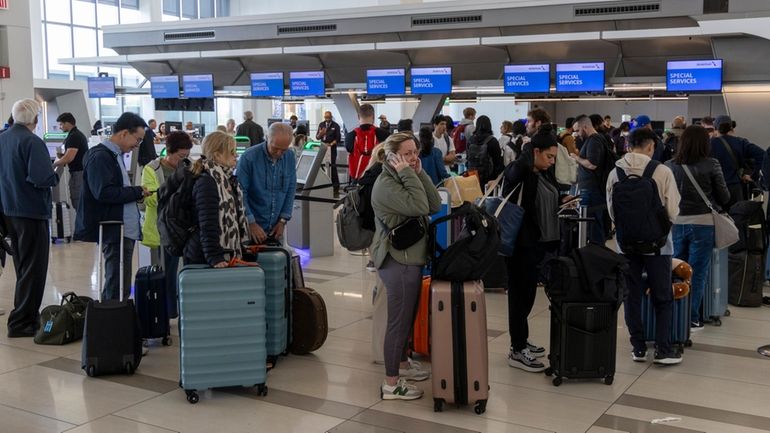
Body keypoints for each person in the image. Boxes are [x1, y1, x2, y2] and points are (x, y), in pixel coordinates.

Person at [371, 132, 441, 400]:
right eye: (407, 153)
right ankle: (391, 383)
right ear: (392, 157)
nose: (413, 158)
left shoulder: (402, 176)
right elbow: (420, 205)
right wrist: (410, 174)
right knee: (398, 323)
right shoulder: (386, 185)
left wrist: (419, 173)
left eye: (415, 152)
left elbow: (434, 203)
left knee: (407, 318)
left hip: (410, 257)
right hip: (397, 260)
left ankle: (402, 364)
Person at [606, 127, 682, 365]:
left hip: (626, 245)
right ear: (651, 146)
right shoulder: (661, 171)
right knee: (663, 296)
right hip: (658, 246)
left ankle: (638, 348)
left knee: (632, 295)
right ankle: (663, 349)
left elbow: (612, 210)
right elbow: (673, 209)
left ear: (629, 146)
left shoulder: (615, 173)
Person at [502, 126, 567, 371]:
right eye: (549, 156)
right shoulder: (520, 170)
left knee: (527, 295)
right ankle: (516, 350)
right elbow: (515, 172)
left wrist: (561, 201)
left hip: (535, 244)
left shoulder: (542, 173)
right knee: (520, 297)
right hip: (520, 245)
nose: (551, 162)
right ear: (536, 151)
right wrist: (527, 153)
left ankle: (521, 340)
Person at [74, 112, 153, 301]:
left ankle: (114, 322)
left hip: (123, 229)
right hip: (114, 229)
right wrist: (137, 191)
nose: (138, 144)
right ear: (124, 133)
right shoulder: (101, 157)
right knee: (116, 284)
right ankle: (111, 325)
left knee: (120, 283)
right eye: (138, 139)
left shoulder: (114, 155)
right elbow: (104, 192)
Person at [0, 99, 59, 337]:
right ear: (35, 120)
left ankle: (22, 315)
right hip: (31, 212)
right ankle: (23, 321)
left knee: (23, 266)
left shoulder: (2, 138)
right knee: (34, 268)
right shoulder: (32, 142)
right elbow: (41, 177)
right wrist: (55, 171)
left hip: (8, 211)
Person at [665, 125, 730, 330]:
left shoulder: (669, 165)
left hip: (676, 223)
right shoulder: (711, 164)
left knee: (676, 270)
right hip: (703, 224)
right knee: (697, 272)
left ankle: (674, 314)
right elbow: (725, 197)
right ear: (705, 143)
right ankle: (692, 317)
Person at [141, 131, 193, 319]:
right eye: (180, 156)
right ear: (168, 151)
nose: (183, 160)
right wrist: (175, 193)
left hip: (185, 230)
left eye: (186, 156)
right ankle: (168, 313)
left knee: (185, 272)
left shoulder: (190, 167)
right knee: (167, 275)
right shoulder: (152, 169)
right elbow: (150, 199)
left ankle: (182, 310)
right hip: (162, 231)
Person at [184, 131, 250, 267]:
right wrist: (214, 256)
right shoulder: (207, 182)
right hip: (205, 256)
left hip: (220, 253)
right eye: (232, 152)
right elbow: (207, 223)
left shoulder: (226, 179)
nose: (236, 155)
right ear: (217, 155)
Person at [238, 122, 296, 244]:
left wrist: (282, 221)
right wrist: (251, 222)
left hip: (276, 228)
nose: (279, 153)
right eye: (275, 148)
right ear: (266, 138)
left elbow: (290, 188)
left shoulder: (290, 156)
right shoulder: (249, 158)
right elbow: (241, 193)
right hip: (251, 227)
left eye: (283, 150)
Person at [571, 114, 612, 245]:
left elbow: (592, 164)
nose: (576, 134)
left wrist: (576, 158)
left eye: (577, 130)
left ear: (585, 126)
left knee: (593, 224)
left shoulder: (594, 141)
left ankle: (595, 254)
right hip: (592, 189)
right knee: (592, 224)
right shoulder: (596, 140)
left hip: (592, 190)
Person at [709, 115, 765, 207]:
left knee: (717, 218)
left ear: (716, 128)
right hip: (735, 188)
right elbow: (763, 156)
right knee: (736, 216)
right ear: (732, 127)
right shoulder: (740, 142)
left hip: (715, 188)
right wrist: (753, 176)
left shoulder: (709, 143)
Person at [345, 104, 390, 183]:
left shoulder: (350, 136)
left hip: (357, 180)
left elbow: (349, 151)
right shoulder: (385, 135)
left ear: (358, 117)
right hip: (378, 181)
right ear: (373, 116)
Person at [53, 112, 88, 210]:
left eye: (61, 124)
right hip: (78, 173)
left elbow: (69, 158)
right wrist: (62, 156)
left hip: (78, 174)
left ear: (67, 123)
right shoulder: (75, 135)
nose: (60, 127)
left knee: (78, 203)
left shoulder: (74, 136)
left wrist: (53, 164)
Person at [466, 115, 504, 187]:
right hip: (489, 178)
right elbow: (497, 161)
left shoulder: (470, 140)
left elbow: (468, 158)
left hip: (473, 176)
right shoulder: (492, 140)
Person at [315, 111, 342, 195]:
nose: (327, 119)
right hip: (323, 148)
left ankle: (335, 187)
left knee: (332, 167)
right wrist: (320, 134)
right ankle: (324, 185)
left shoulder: (335, 125)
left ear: (331, 117)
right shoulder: (321, 124)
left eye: (328, 117)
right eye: (325, 117)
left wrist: (330, 144)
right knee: (323, 167)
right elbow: (317, 137)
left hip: (331, 149)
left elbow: (338, 139)